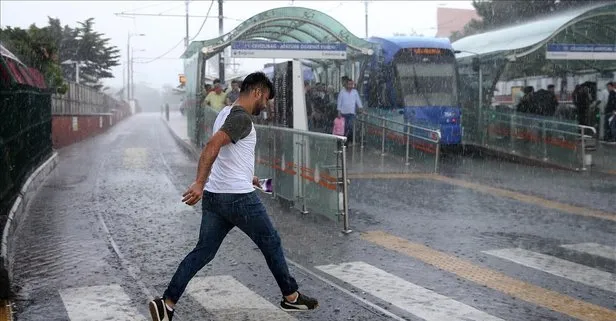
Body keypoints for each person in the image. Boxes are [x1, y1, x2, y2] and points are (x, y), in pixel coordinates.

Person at [148, 72, 318, 321]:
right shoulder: (242, 119)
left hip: (217, 197)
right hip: (238, 199)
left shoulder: (225, 113)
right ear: (257, 92)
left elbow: (228, 156)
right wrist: (198, 183)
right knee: (271, 241)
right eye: (267, 99)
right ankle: (291, 297)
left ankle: (167, 303)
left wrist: (249, 176)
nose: (267, 105)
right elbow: (212, 146)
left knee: (203, 252)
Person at [337, 78, 363, 143]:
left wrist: (361, 108)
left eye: (352, 84)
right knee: (344, 128)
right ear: (346, 84)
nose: (351, 86)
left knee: (350, 127)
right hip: (343, 113)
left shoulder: (355, 92)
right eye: (349, 84)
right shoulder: (342, 92)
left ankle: (347, 140)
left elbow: (358, 101)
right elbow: (339, 102)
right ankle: (344, 141)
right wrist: (339, 111)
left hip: (352, 113)